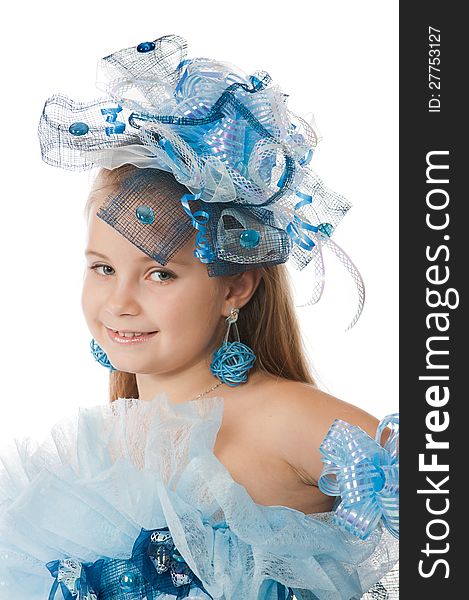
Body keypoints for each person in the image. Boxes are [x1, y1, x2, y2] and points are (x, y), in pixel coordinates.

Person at [0, 35, 399, 599]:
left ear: (236, 286)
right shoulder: (100, 452)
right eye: (102, 268)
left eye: (159, 273)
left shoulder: (281, 418)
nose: (120, 302)